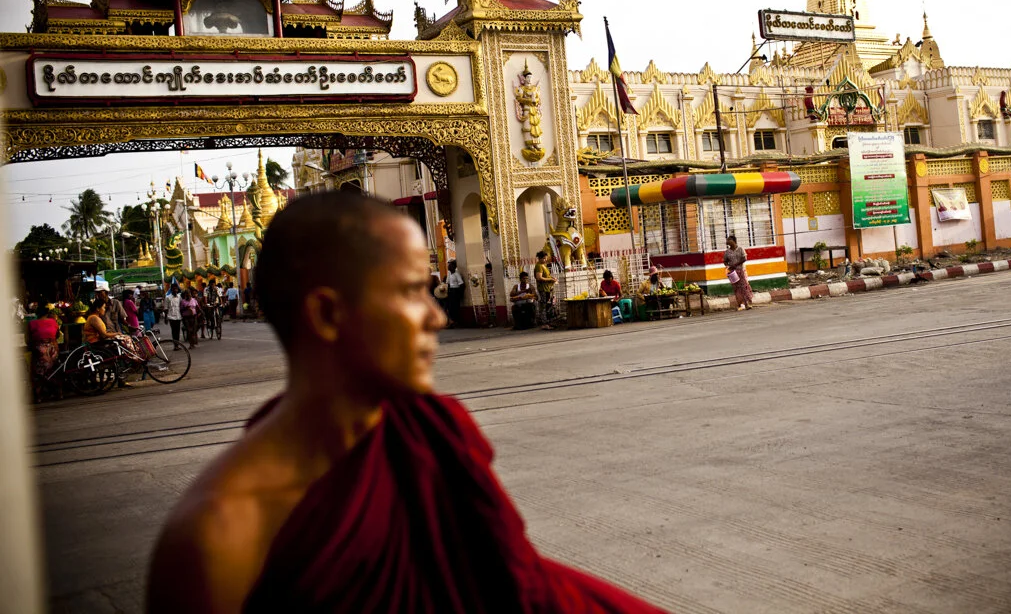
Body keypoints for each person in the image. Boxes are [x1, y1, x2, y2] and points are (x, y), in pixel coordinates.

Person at [146, 192, 666, 614]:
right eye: (412, 291)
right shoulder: (217, 540)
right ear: (327, 314)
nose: (436, 317)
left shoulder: (428, 432)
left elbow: (514, 586)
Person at [29, 305, 61, 402]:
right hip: (52, 350)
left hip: (39, 350)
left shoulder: (32, 323)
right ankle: (58, 393)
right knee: (54, 370)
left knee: (38, 371)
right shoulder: (53, 322)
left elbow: (29, 338)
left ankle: (39, 396)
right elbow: (58, 334)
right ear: (47, 314)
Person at [724, 234, 754, 310]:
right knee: (736, 288)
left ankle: (748, 303)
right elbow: (725, 261)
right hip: (733, 272)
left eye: (729, 240)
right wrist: (728, 266)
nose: (727, 241)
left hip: (741, 270)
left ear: (733, 241)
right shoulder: (727, 252)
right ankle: (740, 304)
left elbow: (744, 258)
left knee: (744, 287)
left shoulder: (740, 249)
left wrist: (735, 264)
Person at [533, 250, 556, 330]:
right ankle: (544, 323)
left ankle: (548, 322)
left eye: (546, 258)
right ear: (539, 258)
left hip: (547, 289)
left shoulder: (543, 265)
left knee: (548, 306)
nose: (545, 260)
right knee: (544, 306)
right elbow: (539, 278)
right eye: (544, 258)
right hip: (543, 289)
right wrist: (550, 280)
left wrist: (551, 278)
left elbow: (546, 276)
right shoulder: (539, 266)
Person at [444, 260, 465, 327]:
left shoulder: (456, 274)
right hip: (450, 291)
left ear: (453, 267)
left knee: (455, 308)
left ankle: (455, 322)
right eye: (448, 265)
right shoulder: (450, 274)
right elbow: (448, 283)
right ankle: (451, 321)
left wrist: (459, 294)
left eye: (450, 266)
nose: (448, 267)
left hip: (455, 292)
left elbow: (461, 284)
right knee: (450, 307)